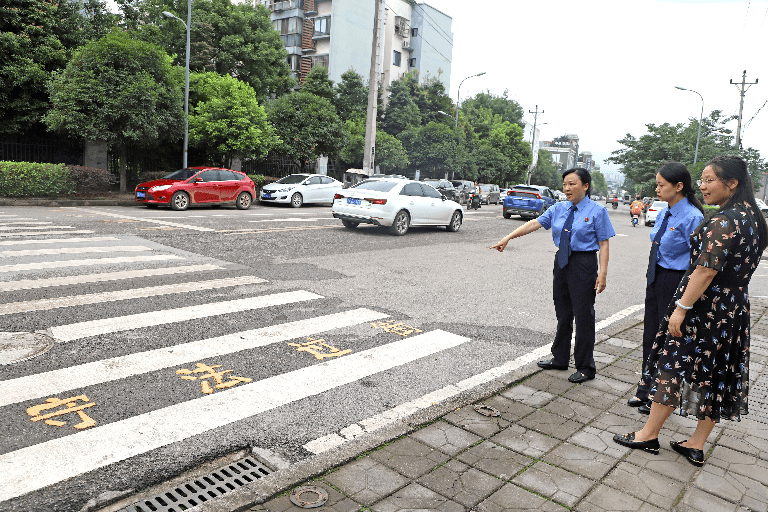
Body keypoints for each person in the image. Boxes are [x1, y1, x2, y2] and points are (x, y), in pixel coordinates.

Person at [614, 156, 768, 466]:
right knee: (716, 373)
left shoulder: (725, 220)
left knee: (672, 366)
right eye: (703, 179)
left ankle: (647, 435)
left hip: (704, 307)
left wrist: (681, 308)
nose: (703, 185)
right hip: (733, 308)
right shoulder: (755, 218)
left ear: (732, 183)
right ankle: (696, 444)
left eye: (710, 179)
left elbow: (705, 270)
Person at [491, 168, 615, 383]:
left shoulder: (597, 211)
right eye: (565, 184)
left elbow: (604, 243)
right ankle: (560, 358)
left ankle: (586, 366)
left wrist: (602, 274)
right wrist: (508, 237)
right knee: (563, 311)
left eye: (572, 184)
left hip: (584, 263)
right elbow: (534, 223)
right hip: (562, 262)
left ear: (585, 186)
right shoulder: (559, 208)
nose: (567, 188)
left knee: (584, 315)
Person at [627, 162, 705, 414]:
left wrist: (686, 299)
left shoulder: (693, 217)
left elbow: (698, 262)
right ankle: (645, 389)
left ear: (679, 186)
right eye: (657, 184)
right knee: (650, 336)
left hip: (676, 281)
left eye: (661, 185)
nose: (657, 188)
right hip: (656, 277)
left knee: (669, 341)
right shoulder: (663, 212)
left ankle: (659, 397)